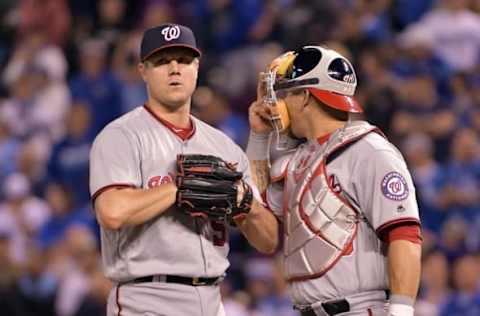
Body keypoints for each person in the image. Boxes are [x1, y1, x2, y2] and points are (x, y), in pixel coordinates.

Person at [89, 23, 278, 316]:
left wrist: (246, 204)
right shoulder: (121, 136)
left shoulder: (223, 146)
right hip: (146, 297)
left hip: (213, 298)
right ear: (143, 71)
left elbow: (268, 240)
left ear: (197, 68)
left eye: (183, 60)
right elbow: (111, 212)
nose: (174, 68)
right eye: (162, 61)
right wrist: (178, 188)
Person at [246, 46, 422, 316]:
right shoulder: (298, 159)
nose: (275, 104)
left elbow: (404, 235)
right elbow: (260, 224)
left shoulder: (368, 151)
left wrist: (401, 311)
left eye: (285, 93)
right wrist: (259, 138)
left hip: (361, 308)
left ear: (305, 96)